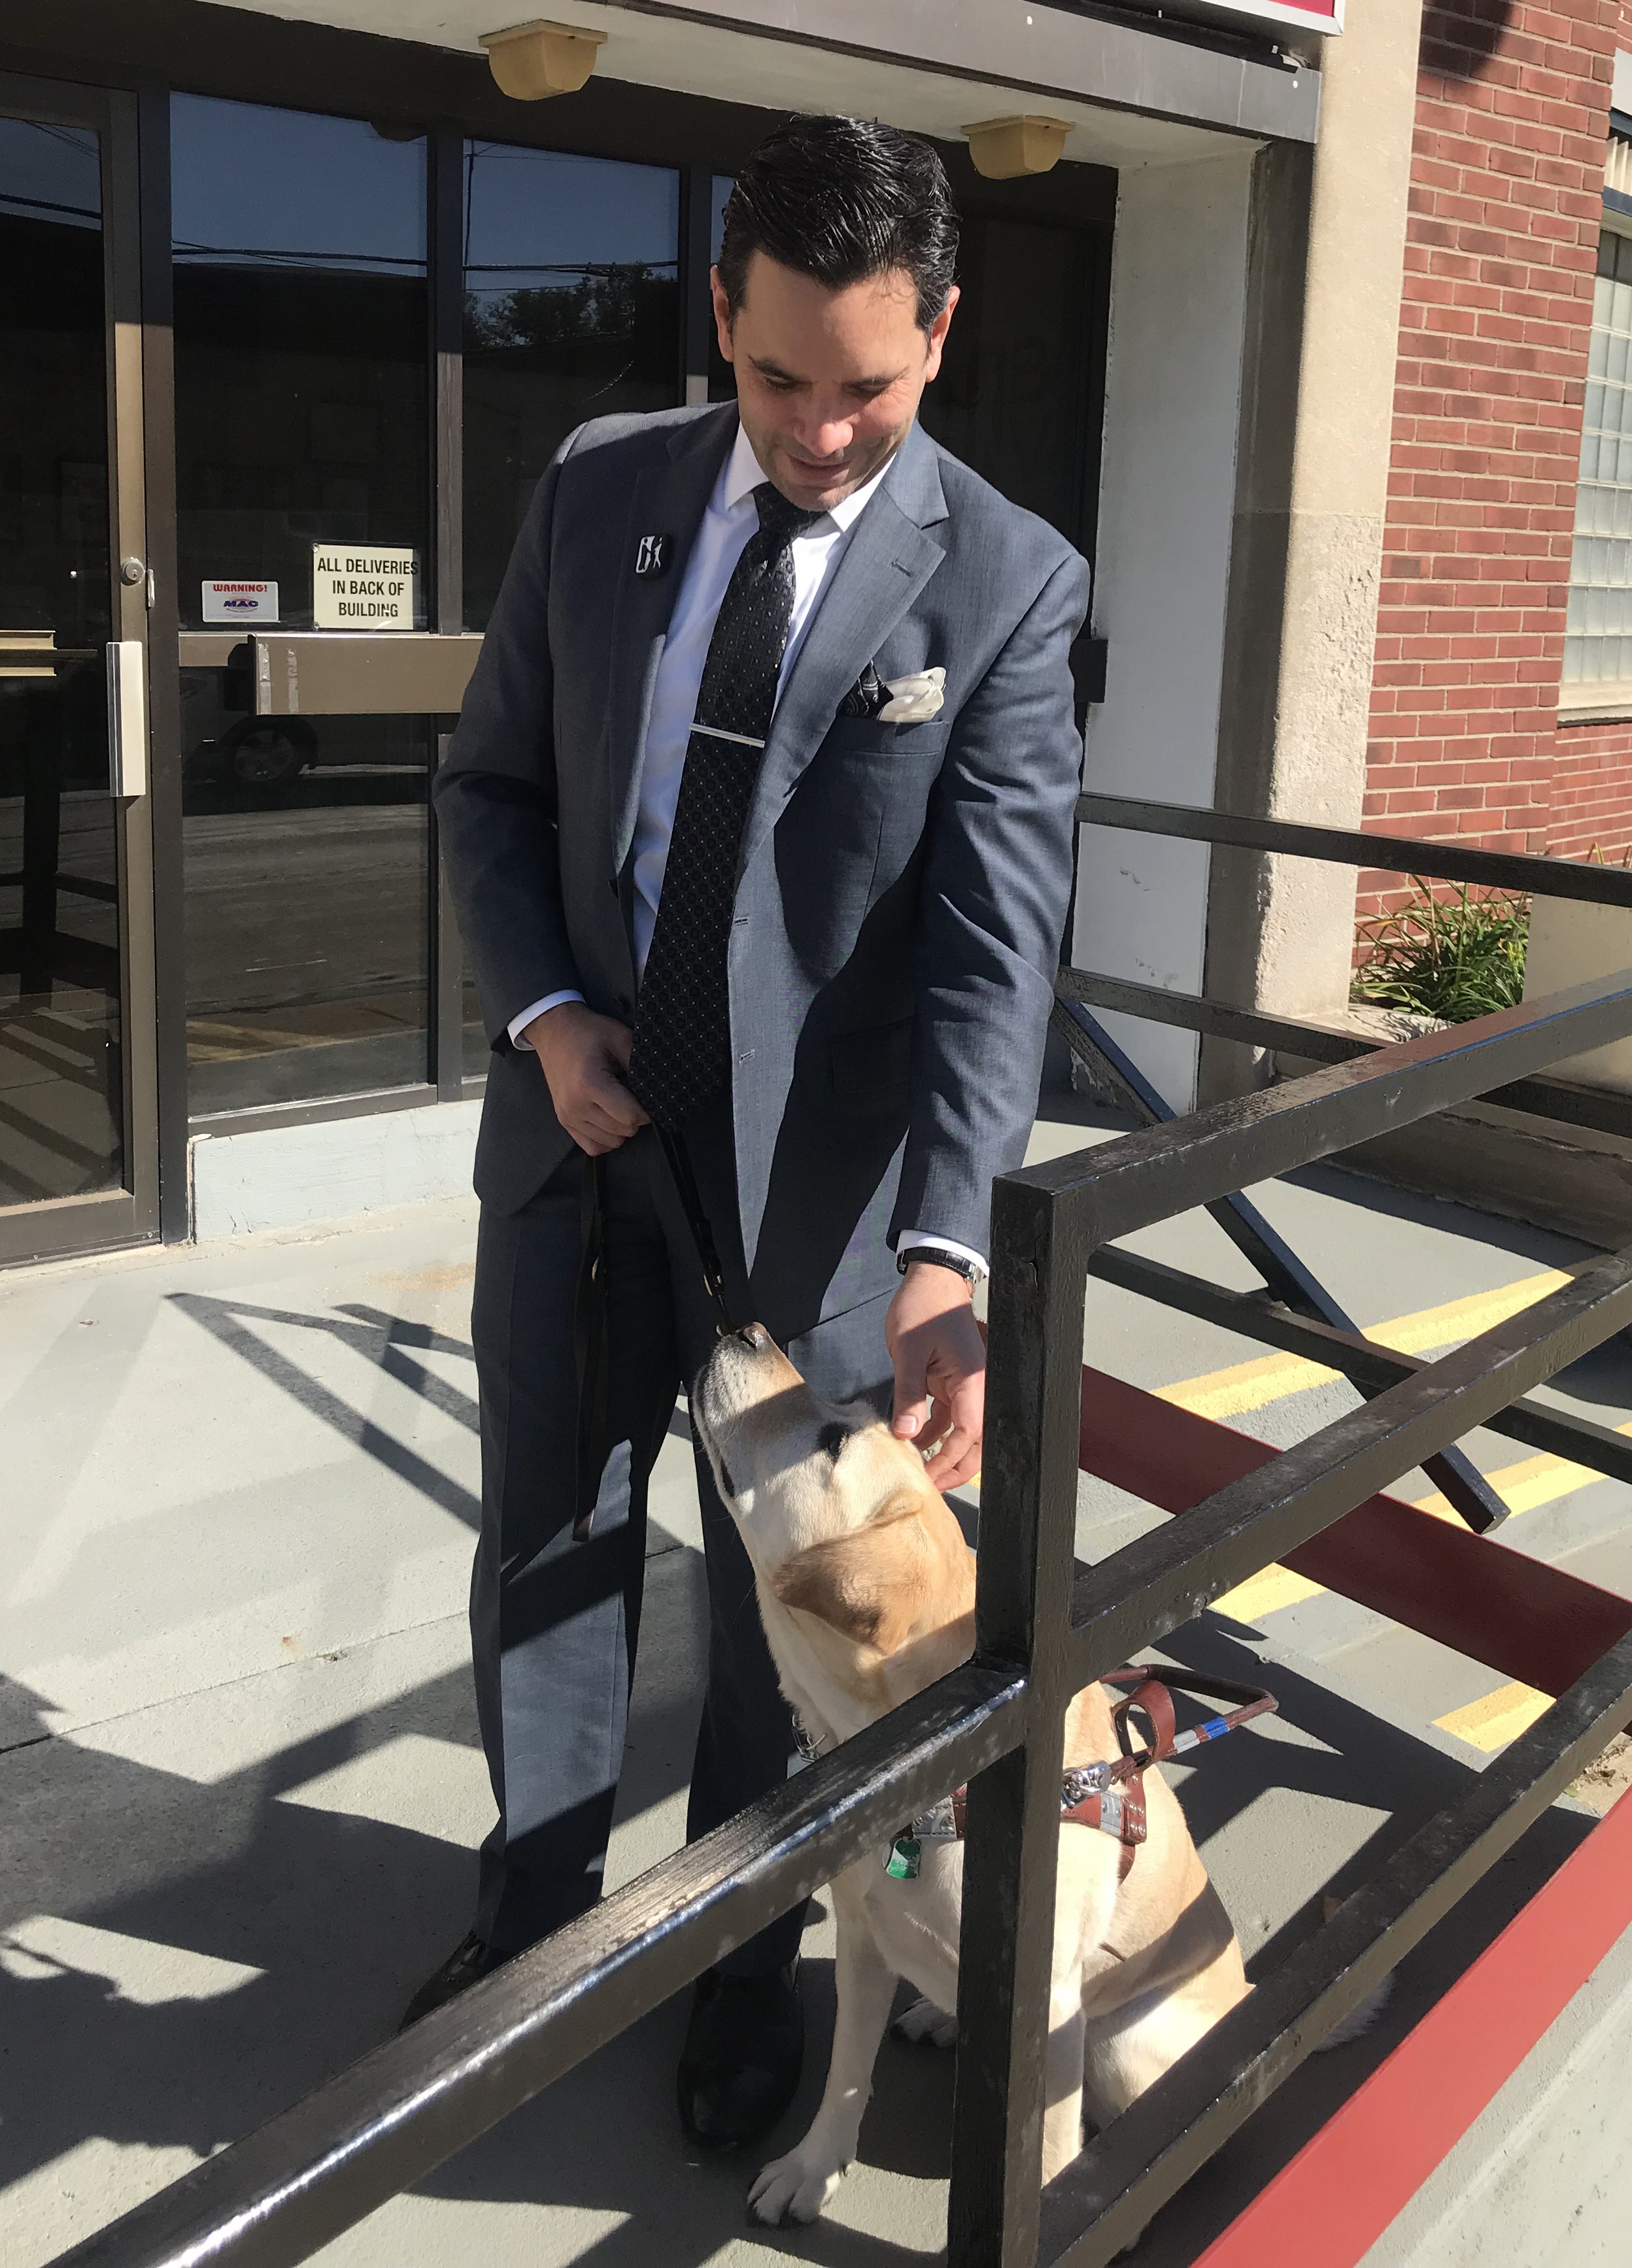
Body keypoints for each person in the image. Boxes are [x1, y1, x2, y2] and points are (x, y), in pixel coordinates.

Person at [416, 112, 1090, 2151]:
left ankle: (740, 1962)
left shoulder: (1010, 582)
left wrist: (953, 1245)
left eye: (864, 385)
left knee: (770, 1635)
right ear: (723, 314)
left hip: (810, 1221)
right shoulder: (598, 489)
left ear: (943, 335)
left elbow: (995, 952)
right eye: (776, 375)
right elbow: (493, 794)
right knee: (546, 1544)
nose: (813, 427)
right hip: (575, 1148)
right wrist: (543, 1018)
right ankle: (536, 1920)